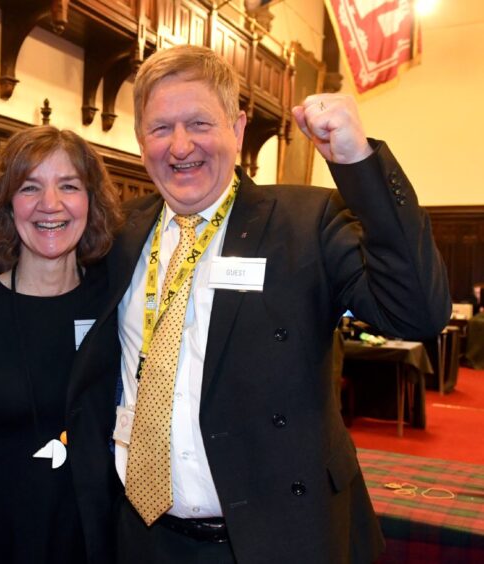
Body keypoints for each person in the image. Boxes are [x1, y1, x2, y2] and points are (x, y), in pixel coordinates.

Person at [77, 44, 450, 563]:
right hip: (144, 537)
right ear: (141, 141)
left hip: (277, 538)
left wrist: (357, 162)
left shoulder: (306, 222)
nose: (180, 145)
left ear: (238, 127)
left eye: (200, 123)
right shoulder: (119, 234)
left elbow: (417, 312)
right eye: (160, 128)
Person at [0, 126, 123, 563]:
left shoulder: (116, 300)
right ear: (8, 203)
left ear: (91, 201)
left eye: (69, 186)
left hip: (89, 533)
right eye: (30, 188)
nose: (51, 205)